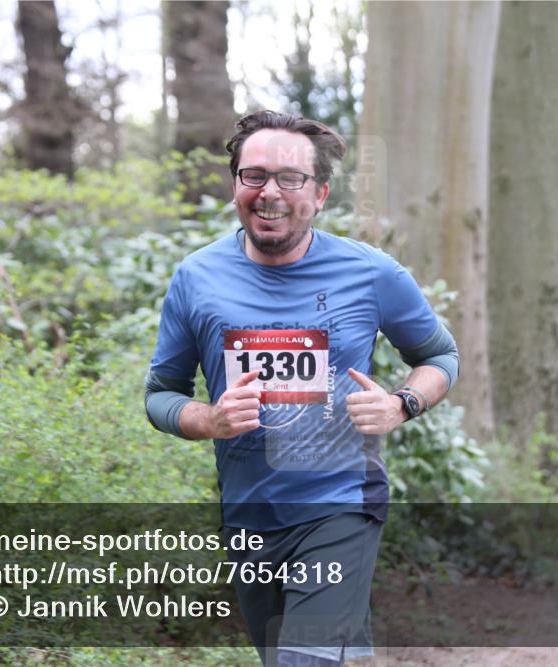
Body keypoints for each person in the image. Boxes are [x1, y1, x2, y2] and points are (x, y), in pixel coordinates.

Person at [145, 110, 459, 667]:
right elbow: (160, 395)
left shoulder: (370, 273)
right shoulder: (196, 277)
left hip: (341, 504)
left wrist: (400, 404)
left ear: (319, 194)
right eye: (254, 175)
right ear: (236, 185)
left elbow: (440, 357)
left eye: (290, 178)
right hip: (248, 515)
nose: (270, 192)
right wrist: (210, 419)